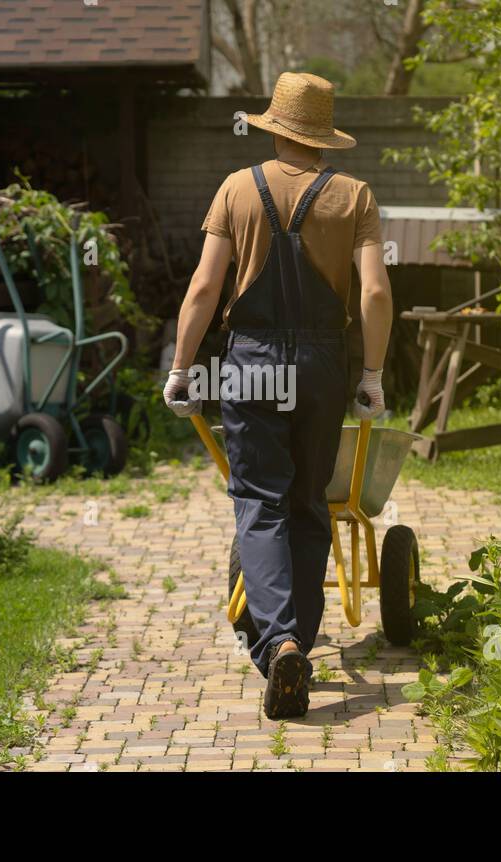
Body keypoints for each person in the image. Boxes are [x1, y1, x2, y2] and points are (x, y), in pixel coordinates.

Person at [163, 72, 393, 720]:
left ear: (272, 126)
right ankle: (299, 643)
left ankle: (281, 642)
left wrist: (182, 369)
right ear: (324, 136)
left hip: (253, 362)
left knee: (258, 501)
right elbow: (374, 294)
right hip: (322, 362)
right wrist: (371, 376)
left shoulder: (237, 188)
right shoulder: (355, 196)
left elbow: (206, 288)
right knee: (308, 504)